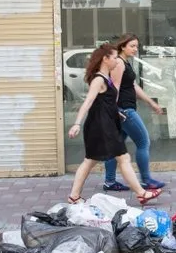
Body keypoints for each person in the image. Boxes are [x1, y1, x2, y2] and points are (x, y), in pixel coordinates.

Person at [67, 43, 162, 205]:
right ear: (105, 59)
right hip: (102, 126)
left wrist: (117, 113)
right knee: (123, 157)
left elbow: (103, 102)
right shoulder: (99, 79)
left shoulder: (105, 79)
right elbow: (88, 101)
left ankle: (74, 196)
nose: (116, 61)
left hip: (103, 123)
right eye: (114, 58)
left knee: (90, 161)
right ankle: (141, 193)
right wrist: (76, 123)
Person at [102, 34, 167, 191]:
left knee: (116, 146)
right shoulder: (119, 63)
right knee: (143, 142)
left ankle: (109, 182)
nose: (135, 49)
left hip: (123, 109)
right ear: (122, 46)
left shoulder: (125, 63)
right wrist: (115, 110)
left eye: (136, 46)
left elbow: (133, 86)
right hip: (124, 110)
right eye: (132, 46)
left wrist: (151, 103)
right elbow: (115, 87)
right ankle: (146, 180)